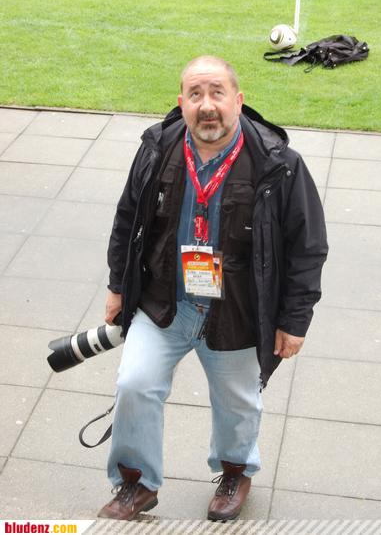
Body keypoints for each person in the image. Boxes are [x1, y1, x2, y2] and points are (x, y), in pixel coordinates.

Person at [98, 55, 328, 521]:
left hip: (237, 309)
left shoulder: (278, 164)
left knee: (238, 403)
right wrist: (118, 287)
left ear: (238, 101)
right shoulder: (157, 148)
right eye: (196, 94)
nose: (207, 105)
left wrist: (294, 320)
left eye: (217, 93)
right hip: (165, 304)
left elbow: (307, 246)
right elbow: (127, 219)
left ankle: (234, 471)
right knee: (134, 383)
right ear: (181, 102)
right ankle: (136, 483)